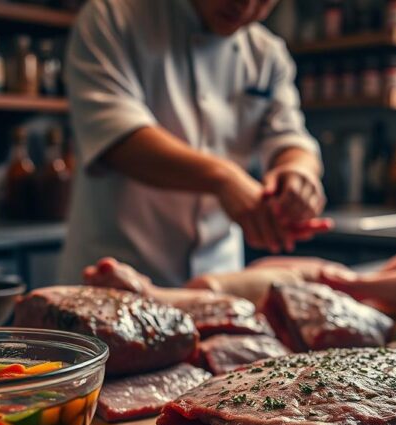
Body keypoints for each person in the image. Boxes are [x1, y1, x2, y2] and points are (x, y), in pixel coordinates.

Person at [57, 0, 328, 286]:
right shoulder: (113, 17)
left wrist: (299, 173)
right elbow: (117, 137)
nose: (246, 5)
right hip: (114, 276)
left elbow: (291, 138)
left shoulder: (267, 54)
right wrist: (223, 178)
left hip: (218, 284)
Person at [84, 229, 396, 327]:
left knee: (300, 285)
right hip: (382, 294)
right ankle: (152, 295)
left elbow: (383, 281)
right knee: (298, 289)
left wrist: (357, 286)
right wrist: (356, 288)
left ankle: (156, 295)